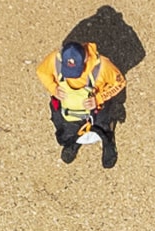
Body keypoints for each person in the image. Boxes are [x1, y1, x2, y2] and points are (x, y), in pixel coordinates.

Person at [36, 40, 124, 169]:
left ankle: (108, 141)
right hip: (68, 111)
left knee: (102, 127)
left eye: (76, 71)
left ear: (85, 58)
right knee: (65, 133)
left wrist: (98, 98)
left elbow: (120, 83)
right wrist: (53, 88)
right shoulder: (55, 59)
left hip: (96, 110)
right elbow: (41, 72)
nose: (72, 77)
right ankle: (74, 141)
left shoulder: (102, 66)